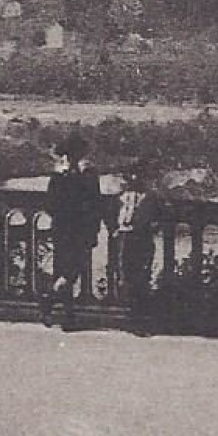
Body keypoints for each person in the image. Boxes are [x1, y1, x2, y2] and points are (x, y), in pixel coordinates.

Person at [43, 133, 102, 328]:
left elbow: (51, 205)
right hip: (73, 229)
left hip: (66, 228)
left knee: (67, 271)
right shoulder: (85, 175)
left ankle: (52, 302)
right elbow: (95, 204)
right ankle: (66, 314)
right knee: (69, 271)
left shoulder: (64, 175)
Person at [114, 166, 162, 333]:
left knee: (142, 275)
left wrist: (150, 226)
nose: (134, 179)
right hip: (125, 237)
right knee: (126, 274)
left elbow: (158, 218)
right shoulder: (121, 197)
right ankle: (131, 315)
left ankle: (139, 316)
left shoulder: (150, 197)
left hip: (142, 237)